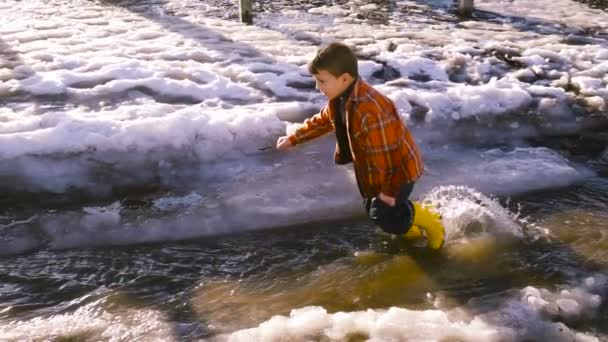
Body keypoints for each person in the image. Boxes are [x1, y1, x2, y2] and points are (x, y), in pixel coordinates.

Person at [276, 42, 444, 249]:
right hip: (373, 171)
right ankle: (412, 232)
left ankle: (430, 219)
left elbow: (389, 156)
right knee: (377, 212)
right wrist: (295, 138)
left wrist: (389, 192)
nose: (317, 87)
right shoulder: (340, 98)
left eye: (321, 81)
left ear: (344, 78)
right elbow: (324, 120)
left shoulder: (370, 110)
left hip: (399, 172)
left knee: (384, 213)